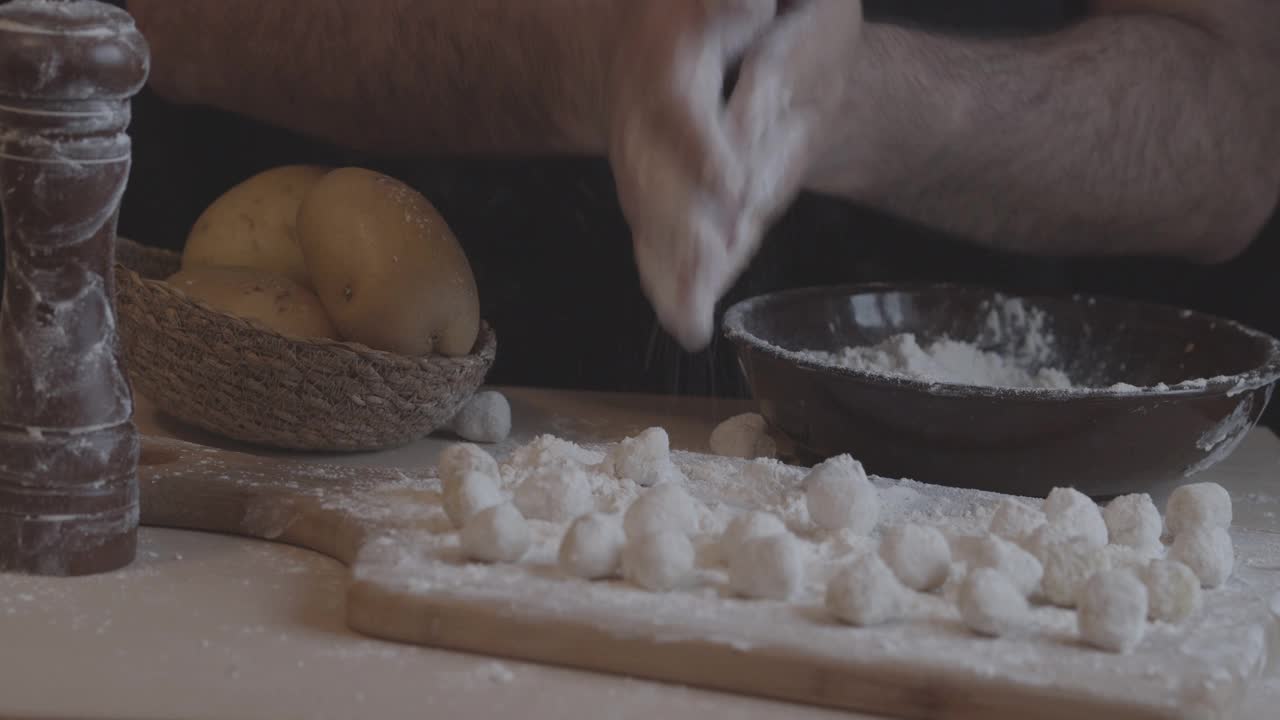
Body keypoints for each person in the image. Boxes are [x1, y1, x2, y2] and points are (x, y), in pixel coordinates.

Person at [94, 1, 1279, 413]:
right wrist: (591, 60)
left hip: (1005, 460)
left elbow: (1234, 120)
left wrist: (842, 98)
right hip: (342, 421)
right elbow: (156, 14)